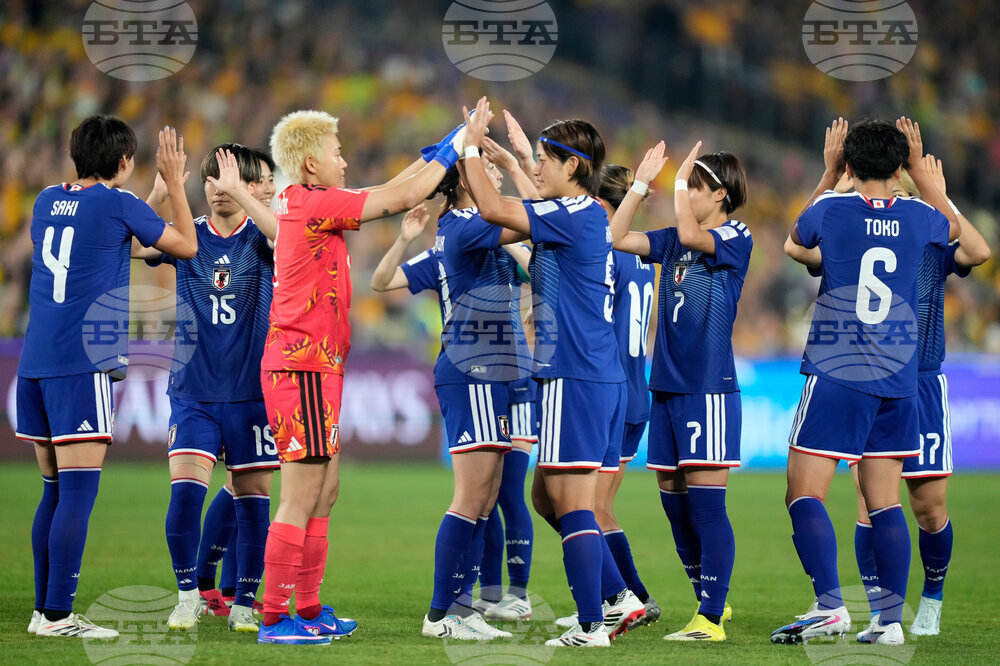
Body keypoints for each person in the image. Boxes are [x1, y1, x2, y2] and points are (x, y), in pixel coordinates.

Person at [258, 109, 463, 645]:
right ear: (310, 164)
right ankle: (275, 618)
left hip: (317, 365)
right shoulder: (312, 201)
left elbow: (393, 186)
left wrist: (446, 141)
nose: (344, 159)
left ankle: (308, 608)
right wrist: (458, 145)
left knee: (325, 491)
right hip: (301, 362)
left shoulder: (306, 198)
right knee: (301, 495)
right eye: (336, 151)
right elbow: (397, 199)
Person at [459, 98, 645, 648]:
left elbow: (493, 208)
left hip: (574, 374)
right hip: (592, 375)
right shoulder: (584, 216)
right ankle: (615, 598)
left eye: (544, 157)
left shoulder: (572, 216)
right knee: (547, 499)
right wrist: (516, 156)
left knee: (573, 504)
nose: (536, 164)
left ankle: (594, 623)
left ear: (573, 167)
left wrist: (467, 144)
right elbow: (532, 200)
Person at [771, 117, 959, 646]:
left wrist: (828, 173)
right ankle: (889, 622)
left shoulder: (832, 208)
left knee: (802, 492)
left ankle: (830, 606)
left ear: (850, 165)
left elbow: (793, 240)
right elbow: (958, 234)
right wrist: (924, 178)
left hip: (838, 368)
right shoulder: (922, 216)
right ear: (900, 167)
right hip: (898, 378)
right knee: (885, 503)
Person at [19, 117, 195, 638]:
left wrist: (153, 195)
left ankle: (42, 610)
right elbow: (183, 244)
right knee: (78, 494)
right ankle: (58, 616)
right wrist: (175, 186)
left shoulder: (47, 199)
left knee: (52, 490)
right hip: (82, 364)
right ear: (124, 161)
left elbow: (114, 240)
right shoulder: (118, 204)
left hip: (33, 365)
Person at [371, 150, 534, 641]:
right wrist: (520, 163)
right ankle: (442, 615)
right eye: (483, 167)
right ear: (464, 180)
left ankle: (465, 610)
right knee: (471, 498)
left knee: (485, 500)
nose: (493, 175)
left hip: (495, 372)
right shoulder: (468, 227)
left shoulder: (466, 230)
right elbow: (536, 224)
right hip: (475, 370)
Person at [133, 143, 282, 634]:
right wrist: (157, 194)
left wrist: (249, 193)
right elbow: (131, 243)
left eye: (230, 179)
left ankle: (244, 602)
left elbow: (285, 239)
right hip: (193, 389)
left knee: (252, 497)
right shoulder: (186, 235)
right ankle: (187, 595)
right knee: (185, 494)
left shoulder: (261, 236)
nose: (219, 188)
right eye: (211, 178)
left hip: (250, 393)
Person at [611, 141, 750, 641]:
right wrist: (643, 186)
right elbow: (615, 235)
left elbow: (692, 233)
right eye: (687, 184)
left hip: (708, 389)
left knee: (708, 505)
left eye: (695, 186)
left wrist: (672, 181)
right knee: (674, 502)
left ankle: (710, 618)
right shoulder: (675, 240)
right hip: (665, 388)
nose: (688, 192)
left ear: (719, 194)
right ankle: (709, 600)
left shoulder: (735, 235)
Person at [195, 148, 278, 616]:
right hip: (211, 384)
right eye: (258, 180)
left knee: (245, 488)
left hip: (261, 379)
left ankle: (230, 592)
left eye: (268, 180)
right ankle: (208, 585)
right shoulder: (202, 231)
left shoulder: (273, 225)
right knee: (245, 489)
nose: (266, 187)